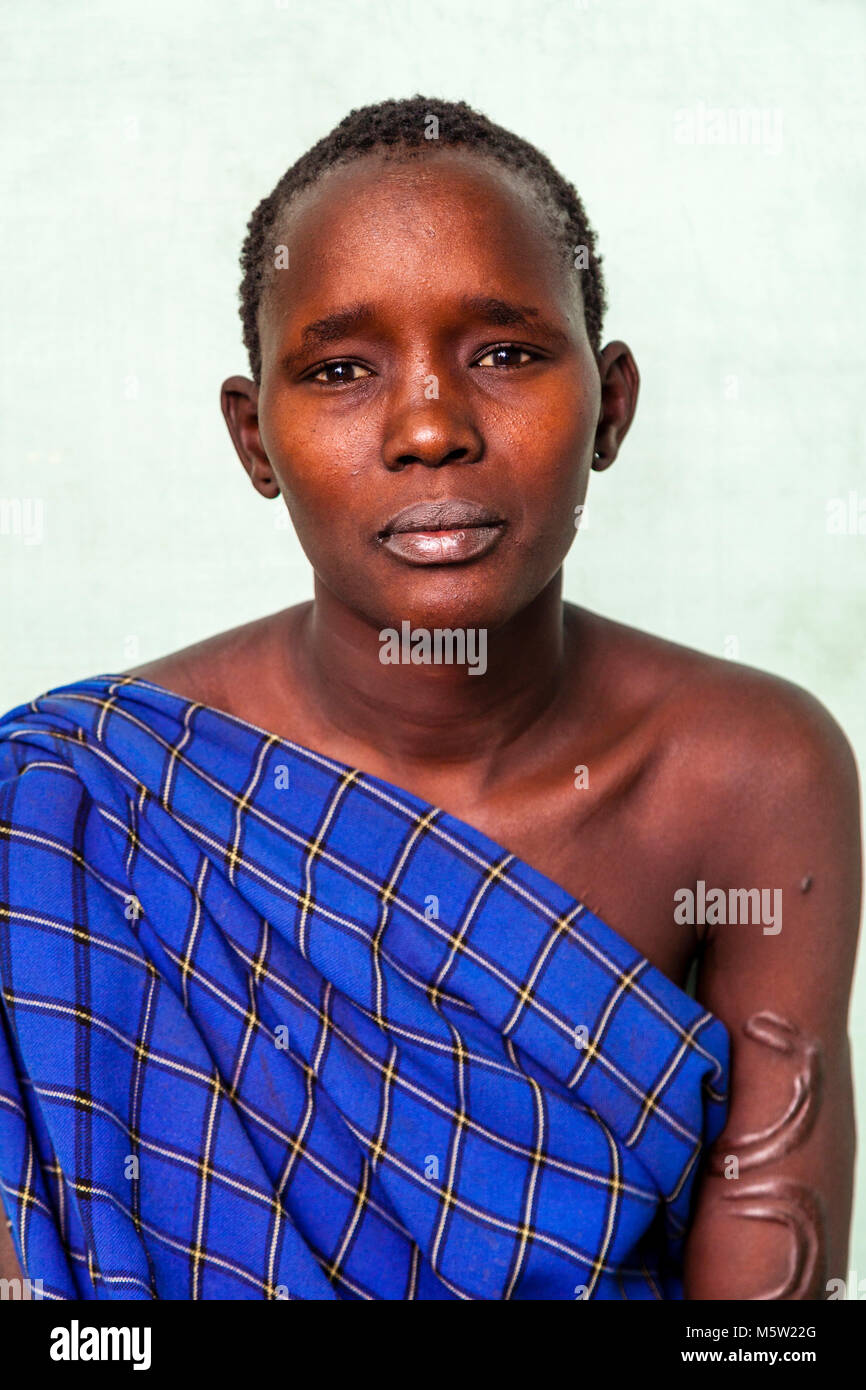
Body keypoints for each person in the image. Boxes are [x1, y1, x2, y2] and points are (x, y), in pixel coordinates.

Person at [0, 96, 859, 1301]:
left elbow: (762, 1309)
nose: (427, 426)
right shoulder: (72, 801)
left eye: (503, 353)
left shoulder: (747, 772)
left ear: (610, 404)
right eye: (341, 369)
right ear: (255, 439)